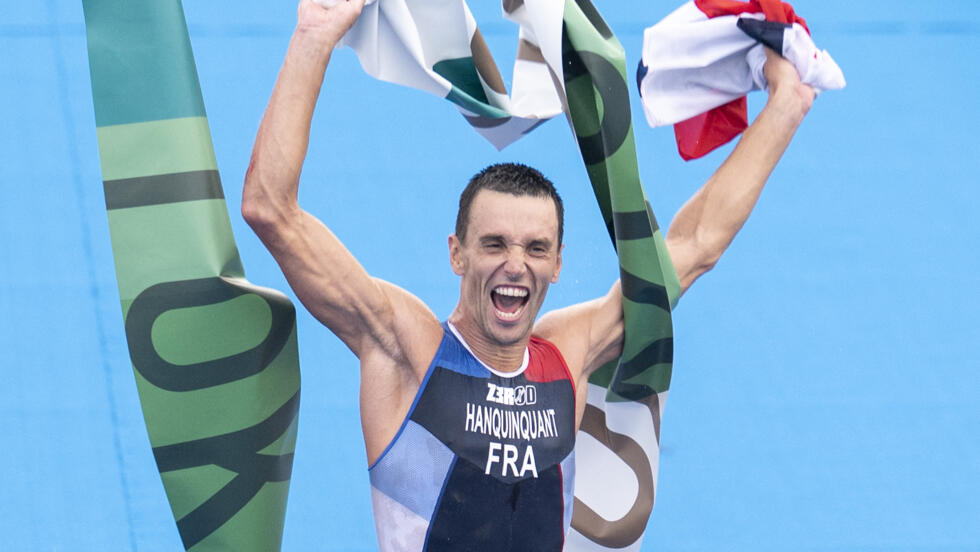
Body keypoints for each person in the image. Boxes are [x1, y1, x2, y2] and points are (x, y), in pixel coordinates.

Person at [241, 0, 815, 550]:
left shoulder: (569, 353)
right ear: (456, 254)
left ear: (558, 263)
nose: (516, 265)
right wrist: (314, 35)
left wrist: (786, 104)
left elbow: (694, 247)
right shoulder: (404, 345)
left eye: (536, 248)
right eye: (494, 244)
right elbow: (271, 209)